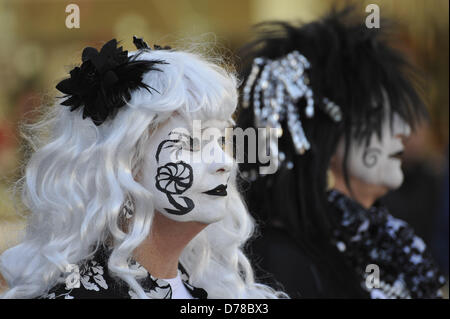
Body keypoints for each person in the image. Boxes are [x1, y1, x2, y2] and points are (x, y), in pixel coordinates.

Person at [0, 37, 286, 299]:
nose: (224, 162)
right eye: (191, 144)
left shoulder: (220, 291)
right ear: (122, 165)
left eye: (221, 140)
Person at [237, 7, 446, 298]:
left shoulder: (386, 241)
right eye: (379, 113)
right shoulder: (279, 260)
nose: (402, 128)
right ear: (323, 135)